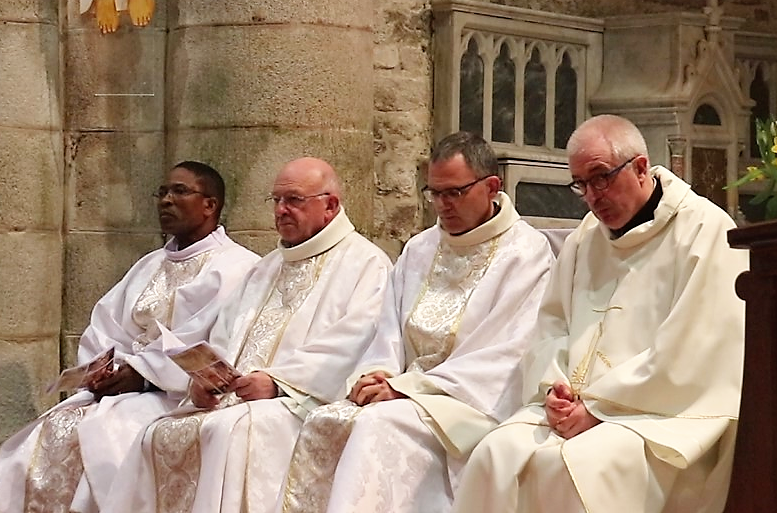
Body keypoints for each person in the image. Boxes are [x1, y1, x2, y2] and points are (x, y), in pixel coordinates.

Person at [452, 114, 749, 513]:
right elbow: (552, 325)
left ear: (640, 167)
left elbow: (693, 350)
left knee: (575, 468)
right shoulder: (586, 237)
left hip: (663, 414)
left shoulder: (704, 230)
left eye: (601, 178)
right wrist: (556, 388)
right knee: (494, 454)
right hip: (581, 408)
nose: (592, 197)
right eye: (581, 184)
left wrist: (598, 408)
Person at [278, 132, 555, 513]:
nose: (442, 205)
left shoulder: (526, 253)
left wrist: (407, 389)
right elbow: (388, 328)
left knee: (377, 426)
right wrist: (378, 372)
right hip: (406, 391)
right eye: (434, 193)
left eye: (454, 193)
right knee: (326, 420)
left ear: (492, 187)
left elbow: (507, 351)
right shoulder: (420, 248)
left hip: (470, 402)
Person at [105, 157, 393, 513]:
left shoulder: (366, 264)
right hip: (238, 400)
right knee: (156, 433)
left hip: (302, 402)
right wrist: (205, 382)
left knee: (230, 432)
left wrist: (277, 383)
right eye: (276, 200)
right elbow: (225, 334)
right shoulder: (266, 268)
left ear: (330, 206)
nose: (281, 210)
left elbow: (355, 340)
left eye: (294, 200)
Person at [0, 161, 260, 513]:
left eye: (180, 191)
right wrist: (101, 370)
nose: (166, 200)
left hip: (175, 395)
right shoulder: (149, 264)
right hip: (124, 390)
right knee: (52, 430)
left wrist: (142, 374)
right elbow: (107, 325)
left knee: (100, 439)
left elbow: (208, 341)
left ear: (209, 205)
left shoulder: (236, 266)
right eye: (162, 192)